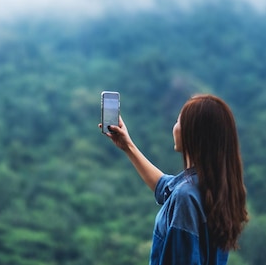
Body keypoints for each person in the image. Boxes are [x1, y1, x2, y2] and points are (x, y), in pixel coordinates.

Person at [100, 94, 249, 265]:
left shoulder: (186, 196)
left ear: (193, 132)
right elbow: (166, 188)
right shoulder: (213, 189)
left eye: (179, 121)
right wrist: (128, 146)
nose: (175, 127)